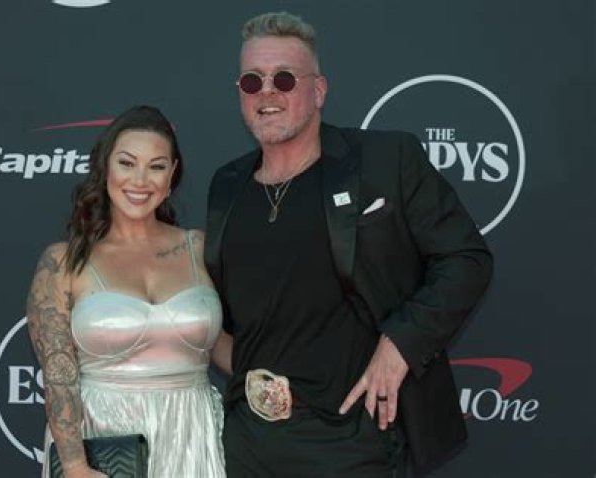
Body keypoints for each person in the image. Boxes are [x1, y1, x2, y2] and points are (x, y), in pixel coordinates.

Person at [204, 12, 493, 477]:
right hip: (247, 441)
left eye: (283, 78)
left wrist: (399, 344)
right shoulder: (227, 185)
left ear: (318, 91)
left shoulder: (385, 160)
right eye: (252, 81)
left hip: (351, 439)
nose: (267, 92)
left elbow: (466, 260)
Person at [27, 105, 230, 478]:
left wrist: (295, 370)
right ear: (105, 167)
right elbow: (58, 376)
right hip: (104, 444)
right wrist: (75, 466)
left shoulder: (200, 248)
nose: (140, 180)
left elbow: (222, 348)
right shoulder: (63, 262)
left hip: (191, 435)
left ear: (172, 175)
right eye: (127, 163)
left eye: (156, 166)